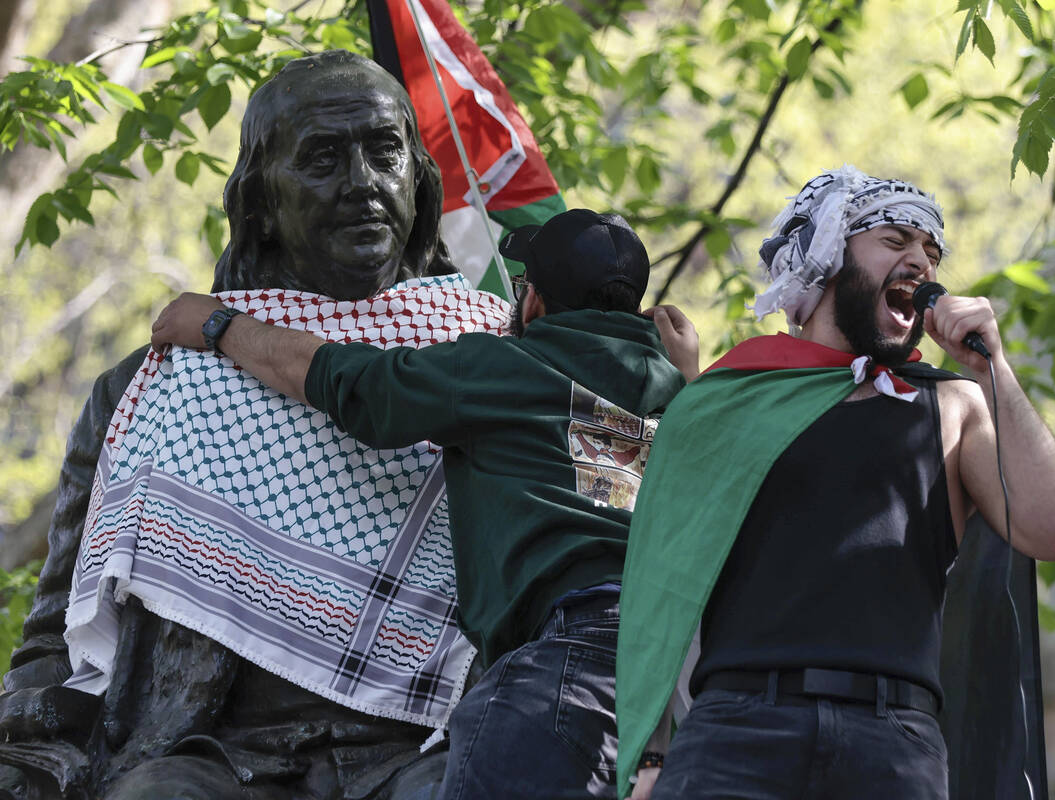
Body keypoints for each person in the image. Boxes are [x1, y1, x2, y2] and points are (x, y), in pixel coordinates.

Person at [0, 50, 503, 800]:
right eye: (321, 158)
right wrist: (24, 749)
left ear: (419, 174)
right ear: (258, 200)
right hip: (211, 753)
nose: (362, 184)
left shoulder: (499, 356)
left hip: (428, 743)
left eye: (383, 151)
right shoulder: (153, 387)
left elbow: (622, 513)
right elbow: (57, 627)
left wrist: (659, 386)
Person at [150, 208, 698, 800]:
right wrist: (688, 379)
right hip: (678, 683)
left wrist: (218, 324)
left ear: (534, 301)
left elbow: (340, 378)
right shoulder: (681, 396)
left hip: (562, 673)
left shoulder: (501, 366)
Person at [614, 166, 1055, 800]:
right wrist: (651, 758)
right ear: (829, 256)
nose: (921, 260)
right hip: (736, 730)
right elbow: (666, 581)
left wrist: (991, 366)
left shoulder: (953, 404)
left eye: (931, 250)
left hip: (893, 743)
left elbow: (1054, 530)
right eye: (895, 240)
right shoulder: (729, 401)